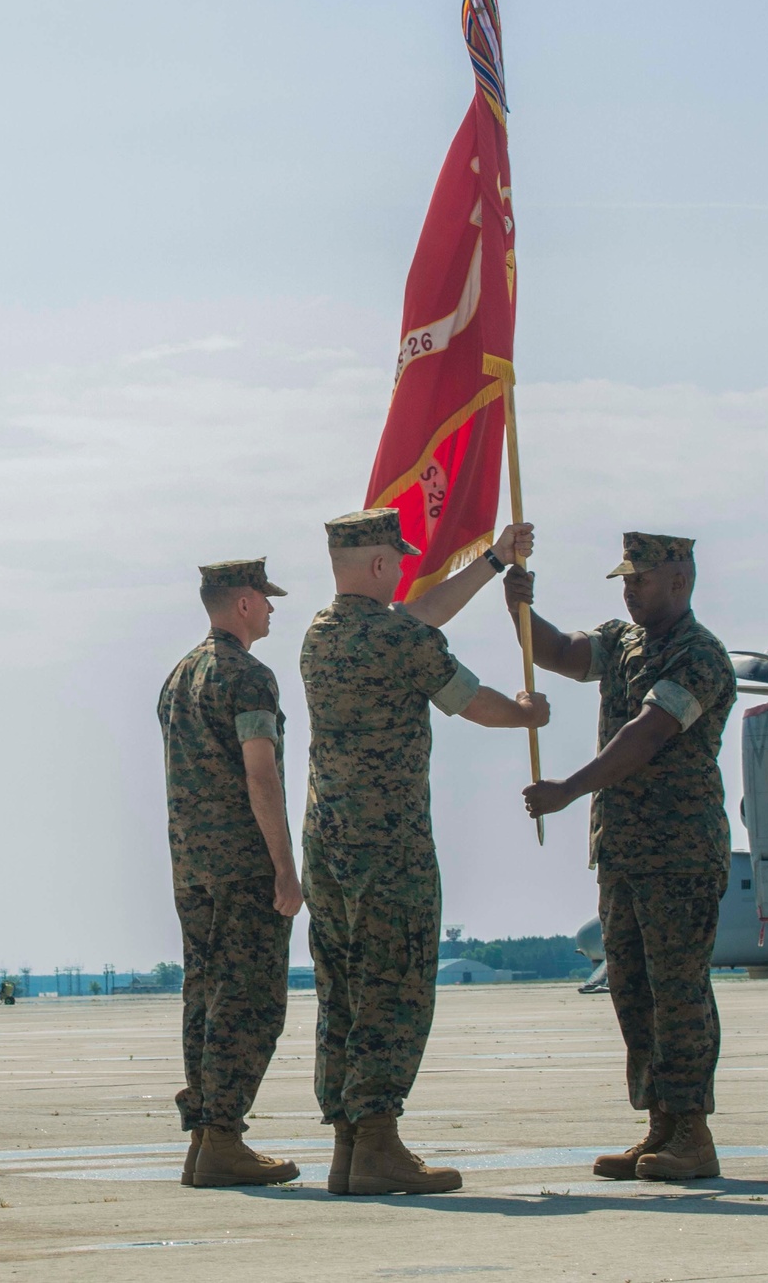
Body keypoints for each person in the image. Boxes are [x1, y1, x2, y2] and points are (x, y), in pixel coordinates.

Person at [301, 510, 550, 1197]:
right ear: (380, 565)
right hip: (390, 842)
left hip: (328, 841)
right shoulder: (396, 639)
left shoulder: (321, 634)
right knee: (395, 982)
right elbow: (473, 702)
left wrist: (496, 560)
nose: (407, 567)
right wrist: (528, 713)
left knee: (344, 988)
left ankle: (351, 1145)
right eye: (399, 558)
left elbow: (417, 618)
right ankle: (379, 1142)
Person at [506, 532, 735, 1181]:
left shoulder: (700, 655)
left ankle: (692, 1132)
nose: (629, 591)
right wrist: (520, 610)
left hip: (680, 852)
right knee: (632, 993)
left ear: (679, 582)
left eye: (640, 580)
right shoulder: (624, 641)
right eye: (625, 582)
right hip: (624, 851)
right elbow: (558, 653)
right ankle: (659, 1125)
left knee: (677, 993)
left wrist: (568, 789)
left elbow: (649, 733)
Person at [158, 558, 302, 1189]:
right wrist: (285, 869)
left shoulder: (178, 676)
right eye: (265, 600)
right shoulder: (247, 676)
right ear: (242, 602)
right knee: (250, 1000)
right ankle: (222, 1137)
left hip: (192, 865)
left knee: (205, 997)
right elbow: (260, 773)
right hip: (244, 864)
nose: (272, 609)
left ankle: (205, 1138)